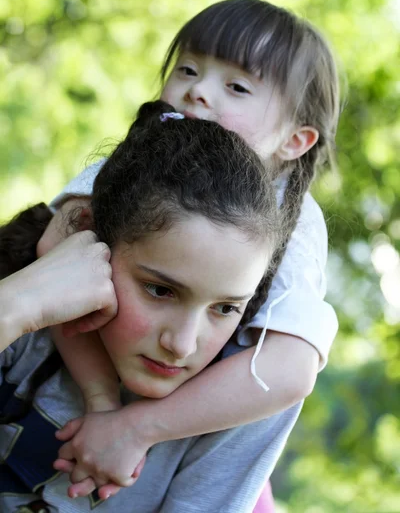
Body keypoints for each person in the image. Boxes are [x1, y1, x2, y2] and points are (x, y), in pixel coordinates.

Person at [37, 0, 341, 502]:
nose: (198, 91)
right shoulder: (142, 159)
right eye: (188, 69)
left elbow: (290, 368)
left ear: (295, 139)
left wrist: (140, 427)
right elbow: (56, 250)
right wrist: (102, 403)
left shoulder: (293, 218)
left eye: (236, 87)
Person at [1, 103, 298, 512]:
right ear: (89, 239)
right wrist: (17, 306)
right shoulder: (20, 311)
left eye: (225, 308)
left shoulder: (246, 401)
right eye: (160, 290)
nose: (181, 344)